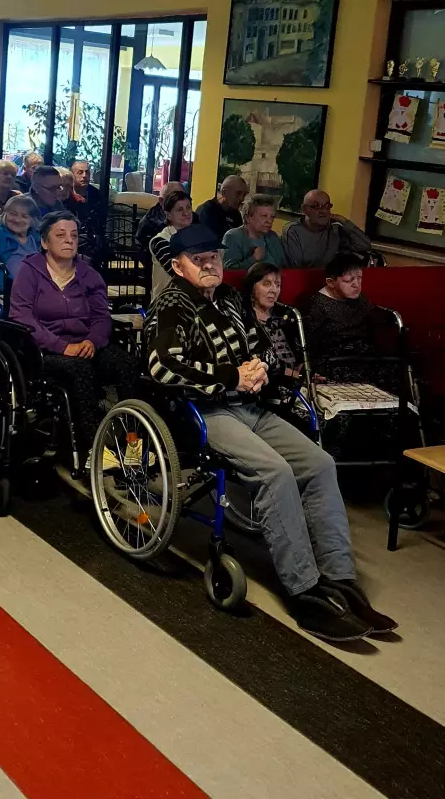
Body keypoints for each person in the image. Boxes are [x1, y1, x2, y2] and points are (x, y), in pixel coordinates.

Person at [144, 224, 396, 641]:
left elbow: (259, 344)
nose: (209, 265)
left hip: (250, 405)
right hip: (205, 411)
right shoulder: (171, 306)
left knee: (319, 463)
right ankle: (303, 591)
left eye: (214, 257)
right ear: (178, 266)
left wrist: (260, 367)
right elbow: (162, 367)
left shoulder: (228, 297)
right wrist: (232, 376)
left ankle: (339, 576)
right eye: (198, 259)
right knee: (275, 472)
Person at [9, 211, 139, 462]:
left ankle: (133, 441)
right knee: (80, 370)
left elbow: (101, 317)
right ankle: (94, 449)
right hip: (45, 350)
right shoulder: (30, 271)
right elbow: (21, 316)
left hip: (86, 343)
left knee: (126, 364)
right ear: (45, 242)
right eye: (60, 235)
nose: (69, 240)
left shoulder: (89, 275)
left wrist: (92, 341)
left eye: (74, 235)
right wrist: (60, 346)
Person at [282, 190, 372, 269]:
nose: (324, 211)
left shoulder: (335, 229)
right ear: (305, 210)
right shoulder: (293, 231)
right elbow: (295, 269)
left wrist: (344, 221)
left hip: (330, 279)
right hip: (304, 280)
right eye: (317, 206)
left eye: (327, 206)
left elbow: (364, 245)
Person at [0, 194, 41, 294]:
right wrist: (12, 286)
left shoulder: (36, 238)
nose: (17, 219)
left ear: (32, 220)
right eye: (13, 214)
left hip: (37, 291)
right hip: (6, 294)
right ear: (5, 215)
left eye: (24, 216)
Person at [241, 262, 298, 372]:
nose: (274, 290)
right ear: (252, 287)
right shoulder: (244, 318)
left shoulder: (286, 315)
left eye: (277, 285)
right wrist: (295, 375)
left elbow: (299, 352)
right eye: (267, 284)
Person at [148, 190, 195, 300]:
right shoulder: (160, 241)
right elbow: (180, 273)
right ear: (168, 215)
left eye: (188, 207)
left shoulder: (196, 236)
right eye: (179, 209)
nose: (186, 213)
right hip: (167, 303)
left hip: (191, 301)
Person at [223, 194, 284, 270]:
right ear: (248, 217)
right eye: (264, 216)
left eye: (272, 217)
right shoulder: (233, 236)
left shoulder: (273, 236)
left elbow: (281, 267)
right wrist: (254, 258)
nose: (269, 221)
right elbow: (229, 271)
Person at [136, 181, 198, 251]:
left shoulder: (194, 218)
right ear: (161, 200)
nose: (185, 213)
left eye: (188, 207)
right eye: (174, 199)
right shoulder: (149, 222)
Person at [196, 175, 248, 244]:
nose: (242, 199)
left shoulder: (235, 214)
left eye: (244, 195)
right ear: (224, 192)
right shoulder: (206, 212)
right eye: (238, 193)